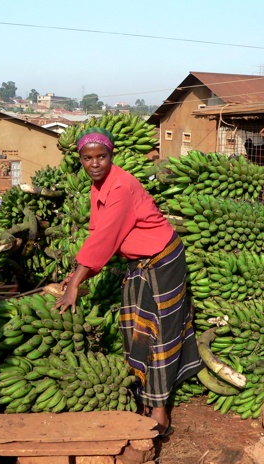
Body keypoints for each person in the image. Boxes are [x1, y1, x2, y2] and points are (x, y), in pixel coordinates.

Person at [54, 127, 203, 437]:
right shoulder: (99, 185)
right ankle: (145, 397)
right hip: (138, 263)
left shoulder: (121, 186)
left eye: (101, 157)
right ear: (80, 160)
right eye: (87, 158)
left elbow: (106, 238)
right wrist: (77, 276)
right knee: (133, 326)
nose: (94, 163)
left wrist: (73, 285)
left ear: (112, 157)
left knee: (159, 332)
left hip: (163, 260)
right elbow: (99, 235)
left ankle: (159, 412)